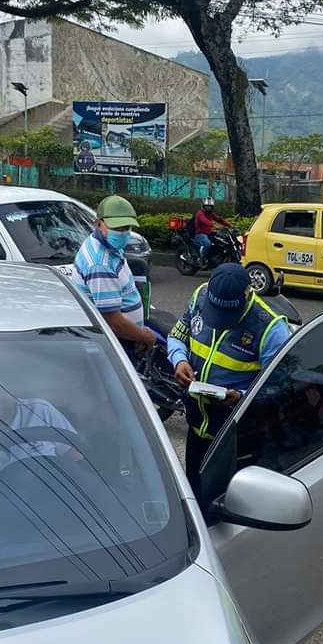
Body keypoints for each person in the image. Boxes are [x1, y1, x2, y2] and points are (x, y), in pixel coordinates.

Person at [167, 263, 290, 499]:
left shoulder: (270, 328)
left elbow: (283, 388)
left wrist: (242, 398)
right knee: (195, 500)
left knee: (228, 512)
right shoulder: (200, 296)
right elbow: (177, 336)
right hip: (197, 430)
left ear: (247, 297)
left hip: (237, 441)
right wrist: (179, 360)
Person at [72, 195, 155, 358]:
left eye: (126, 227)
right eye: (117, 228)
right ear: (98, 223)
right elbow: (114, 323)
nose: (122, 233)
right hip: (117, 343)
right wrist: (145, 336)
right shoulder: (100, 264)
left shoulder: (108, 245)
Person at [193, 196, 230, 266]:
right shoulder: (200, 213)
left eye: (210, 207)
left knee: (221, 241)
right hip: (200, 235)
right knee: (207, 244)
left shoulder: (211, 214)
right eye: (207, 206)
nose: (208, 208)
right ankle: (201, 259)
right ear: (203, 206)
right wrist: (215, 225)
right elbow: (205, 221)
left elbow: (219, 220)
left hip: (208, 234)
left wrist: (230, 225)